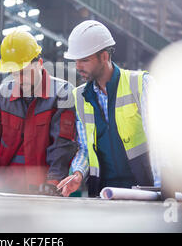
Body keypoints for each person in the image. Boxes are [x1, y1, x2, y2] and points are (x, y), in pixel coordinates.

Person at [58, 20, 160, 197]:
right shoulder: (80, 97)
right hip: (103, 193)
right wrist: (78, 173)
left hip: (142, 191)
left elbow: (159, 141)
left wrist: (161, 190)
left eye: (84, 60)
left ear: (104, 57)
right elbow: (84, 148)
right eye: (76, 60)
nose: (78, 66)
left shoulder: (140, 84)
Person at [0, 30, 78, 195]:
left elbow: (62, 147)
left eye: (23, 72)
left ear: (39, 63)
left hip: (43, 191)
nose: (19, 79)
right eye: (14, 73)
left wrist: (53, 183)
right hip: (2, 191)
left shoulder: (62, 94)